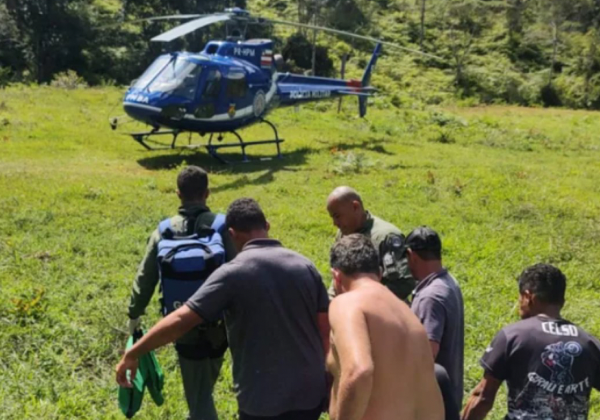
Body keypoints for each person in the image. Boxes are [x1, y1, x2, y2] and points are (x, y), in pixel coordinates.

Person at [118, 198, 331, 420]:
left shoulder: (231, 274)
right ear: (267, 225)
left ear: (231, 233)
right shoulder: (306, 266)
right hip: (309, 395)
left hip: (262, 400)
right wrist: (330, 379)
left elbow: (181, 320)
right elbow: (326, 333)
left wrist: (133, 352)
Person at [126, 165, 236, 420]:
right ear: (207, 193)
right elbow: (241, 271)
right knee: (202, 388)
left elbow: (145, 278)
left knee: (199, 397)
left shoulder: (164, 231)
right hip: (220, 324)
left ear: (178, 194)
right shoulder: (222, 226)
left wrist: (134, 314)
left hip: (181, 323)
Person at [327, 234, 444, 420]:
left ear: (337, 277)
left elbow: (358, 371)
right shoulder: (406, 312)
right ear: (380, 274)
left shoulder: (348, 303)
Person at [462, 263, 600, 420]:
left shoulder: (513, 336)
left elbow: (483, 398)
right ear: (562, 301)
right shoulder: (589, 343)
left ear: (528, 297)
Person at [407, 226, 464, 410]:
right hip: (449, 392)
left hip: (432, 402)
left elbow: (427, 354)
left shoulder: (430, 297)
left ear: (411, 255)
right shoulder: (449, 282)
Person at [326, 186, 415, 301]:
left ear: (355, 207)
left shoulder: (385, 237)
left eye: (337, 216)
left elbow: (403, 283)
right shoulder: (343, 233)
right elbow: (338, 276)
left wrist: (366, 301)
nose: (335, 223)